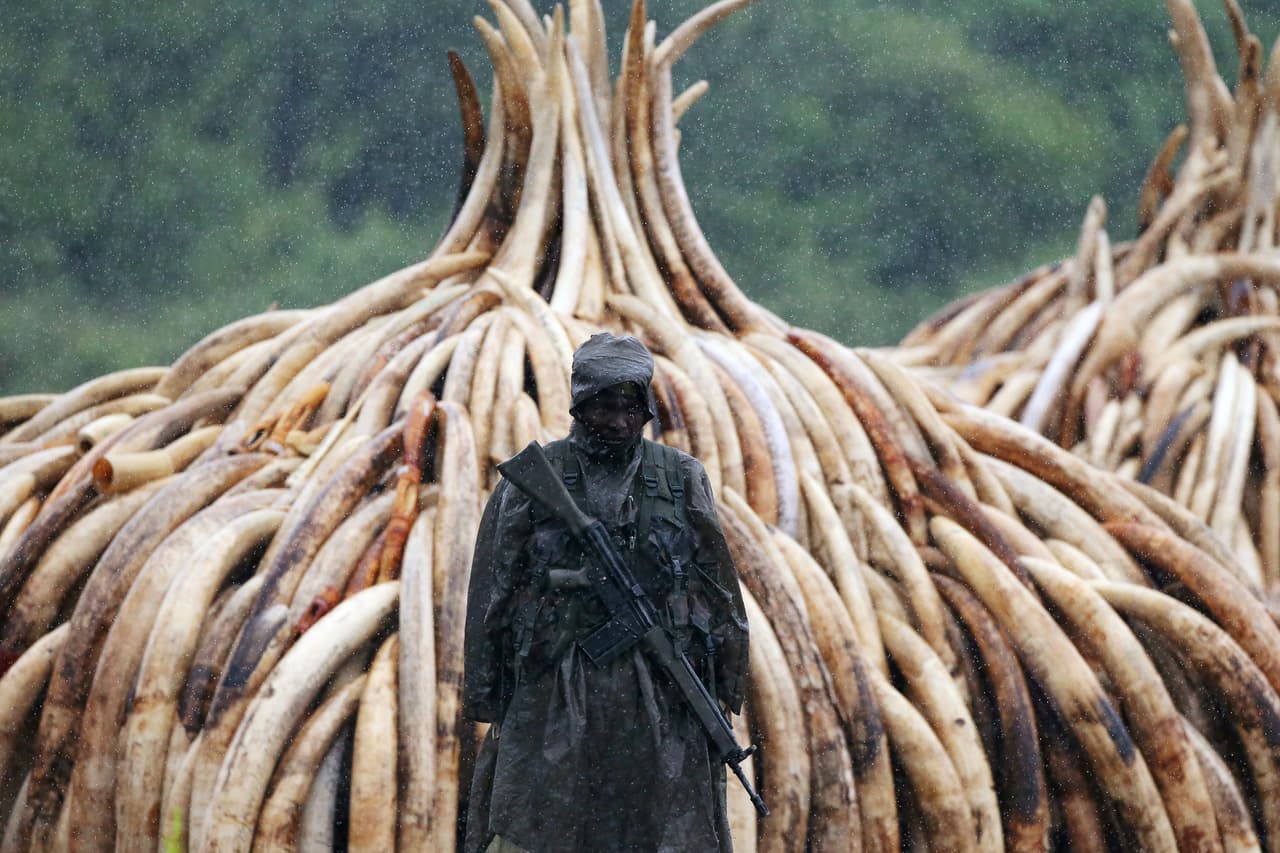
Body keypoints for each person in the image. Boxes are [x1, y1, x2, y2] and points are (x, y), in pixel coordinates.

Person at [463, 332, 750, 853]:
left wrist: (725, 689)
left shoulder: (681, 478)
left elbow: (718, 587)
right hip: (555, 688)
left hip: (661, 693)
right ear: (578, 406)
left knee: (663, 829)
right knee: (537, 829)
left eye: (629, 408)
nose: (618, 422)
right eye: (603, 407)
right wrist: (489, 694)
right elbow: (493, 585)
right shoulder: (534, 480)